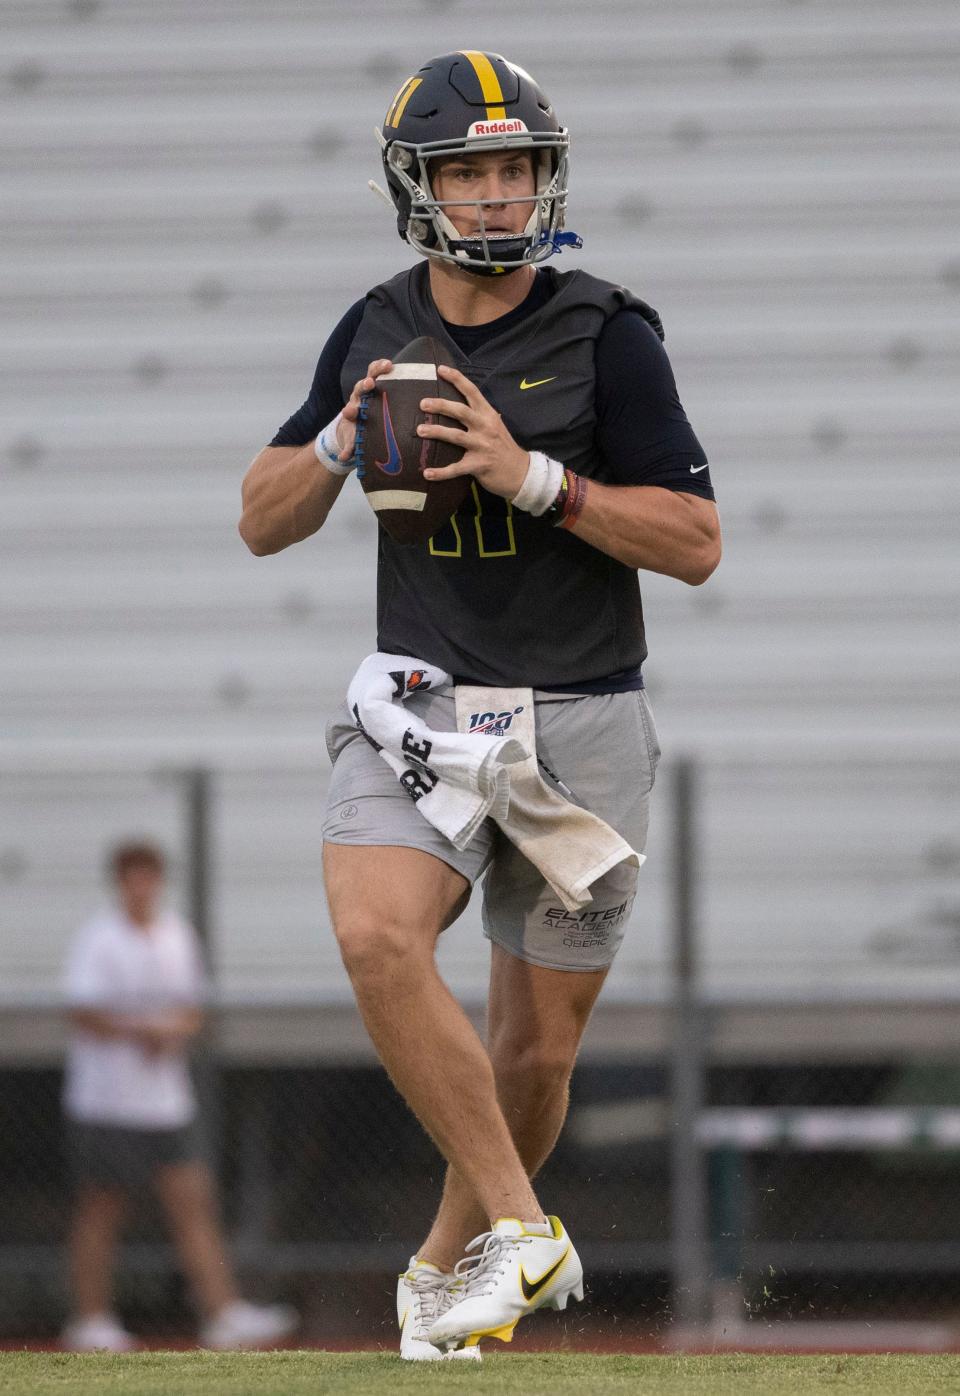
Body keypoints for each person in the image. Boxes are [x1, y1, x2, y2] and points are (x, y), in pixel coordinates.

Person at [239, 50, 720, 1361]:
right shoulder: (375, 324)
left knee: (534, 1058)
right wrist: (338, 442)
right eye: (474, 171)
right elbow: (260, 519)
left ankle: (445, 1275)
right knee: (379, 938)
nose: (502, 196)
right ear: (420, 186)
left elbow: (693, 541)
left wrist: (532, 479)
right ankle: (525, 1226)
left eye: (518, 170)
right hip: (425, 706)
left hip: (582, 722)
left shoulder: (608, 330)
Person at [60, 841, 297, 1352]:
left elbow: (193, 1009)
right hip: (107, 1103)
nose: (142, 887)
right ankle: (91, 1319)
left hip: (165, 1102)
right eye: (133, 877)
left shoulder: (176, 936)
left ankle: (222, 1313)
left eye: (150, 877)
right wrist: (138, 1031)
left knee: (194, 1203)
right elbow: (82, 1009)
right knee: (102, 1207)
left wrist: (172, 1032)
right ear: (120, 882)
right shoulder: (98, 939)